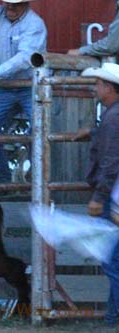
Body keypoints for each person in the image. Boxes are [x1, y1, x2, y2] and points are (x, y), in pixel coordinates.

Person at [0, 0, 47, 183]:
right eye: (8, 3)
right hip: (6, 84)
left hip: (31, 84)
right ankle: (2, 180)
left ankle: (38, 181)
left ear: (26, 4)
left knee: (39, 130)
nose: (11, 7)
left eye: (16, 4)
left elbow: (24, 59)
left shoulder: (35, 24)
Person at [77, 62, 119, 326]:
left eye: (99, 83)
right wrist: (93, 132)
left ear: (109, 88)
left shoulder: (114, 117)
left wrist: (99, 197)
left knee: (112, 260)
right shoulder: (113, 116)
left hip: (113, 198)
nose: (96, 88)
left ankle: (114, 316)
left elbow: (112, 160)